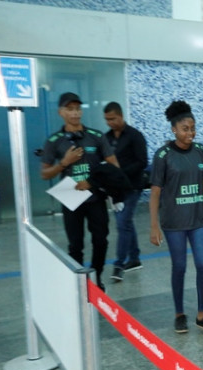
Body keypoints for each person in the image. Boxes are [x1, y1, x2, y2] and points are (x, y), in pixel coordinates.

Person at [149, 100, 203, 336]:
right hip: (173, 223)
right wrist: (154, 226)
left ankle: (202, 315)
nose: (190, 133)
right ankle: (179, 314)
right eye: (185, 129)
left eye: (193, 128)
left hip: (198, 220)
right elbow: (156, 192)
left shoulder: (201, 152)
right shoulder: (163, 155)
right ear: (174, 129)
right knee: (179, 267)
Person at [40, 92, 119, 291]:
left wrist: (95, 181)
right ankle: (78, 281)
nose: (75, 113)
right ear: (61, 112)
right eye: (70, 109)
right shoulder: (54, 141)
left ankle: (97, 276)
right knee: (75, 244)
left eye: (77, 109)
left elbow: (113, 166)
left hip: (96, 197)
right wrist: (64, 163)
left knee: (100, 240)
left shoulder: (96, 136)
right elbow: (45, 174)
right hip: (70, 198)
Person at [104, 102, 148, 283]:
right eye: (107, 120)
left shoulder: (135, 136)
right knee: (126, 223)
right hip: (115, 190)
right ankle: (135, 258)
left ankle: (119, 263)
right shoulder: (106, 137)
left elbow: (142, 161)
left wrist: (121, 172)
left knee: (123, 223)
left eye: (113, 119)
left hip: (132, 187)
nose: (110, 123)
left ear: (121, 116)